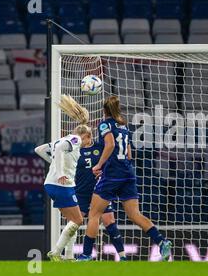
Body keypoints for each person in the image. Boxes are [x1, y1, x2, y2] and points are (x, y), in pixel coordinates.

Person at [77, 95, 172, 261]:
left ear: (104, 111)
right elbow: (128, 153)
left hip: (112, 175)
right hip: (128, 173)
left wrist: (99, 165)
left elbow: (111, 145)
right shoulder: (123, 125)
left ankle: (85, 254)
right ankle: (161, 241)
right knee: (135, 214)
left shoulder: (105, 124)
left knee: (94, 214)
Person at [35, 95, 90, 261]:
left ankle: (69, 255)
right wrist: (59, 172)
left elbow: (40, 149)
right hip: (61, 185)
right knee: (78, 219)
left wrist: (54, 163)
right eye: (90, 137)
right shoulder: (75, 139)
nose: (90, 141)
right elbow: (58, 148)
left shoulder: (66, 139)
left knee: (73, 220)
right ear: (85, 135)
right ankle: (56, 252)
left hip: (55, 185)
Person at [63, 133, 127, 261]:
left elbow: (112, 157)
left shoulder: (100, 147)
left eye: (81, 138)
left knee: (109, 222)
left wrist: (105, 171)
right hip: (81, 193)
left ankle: (122, 257)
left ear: (88, 136)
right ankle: (65, 254)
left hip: (99, 191)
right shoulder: (74, 151)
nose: (79, 141)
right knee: (74, 223)